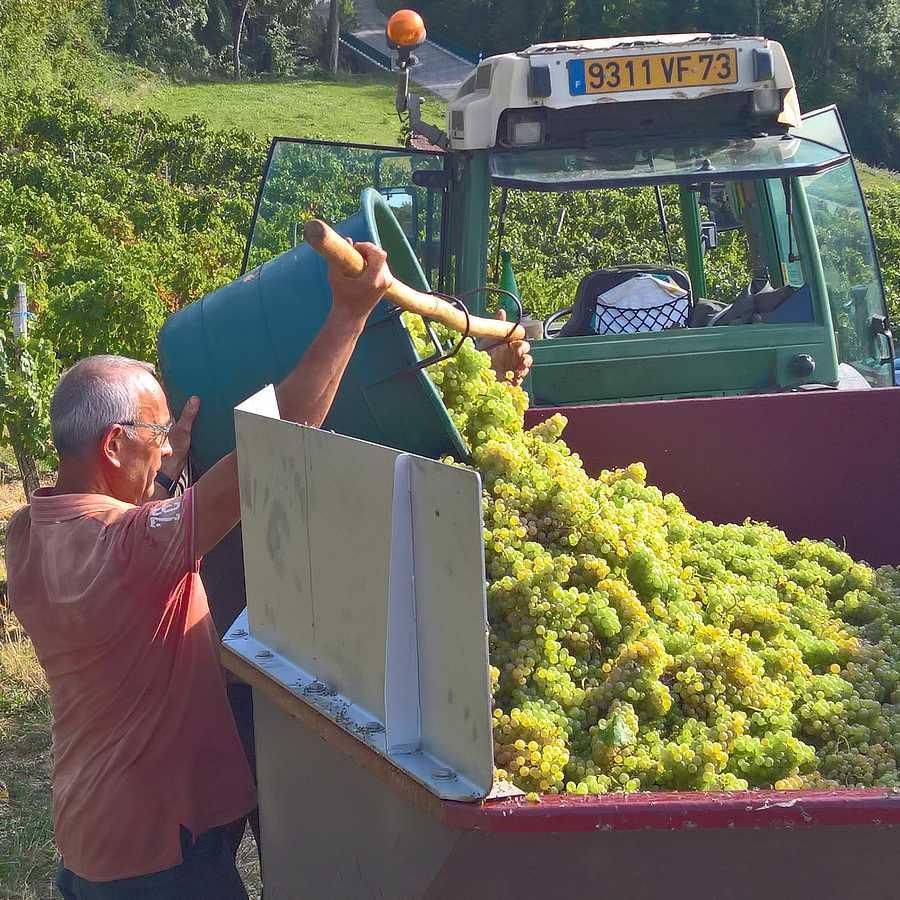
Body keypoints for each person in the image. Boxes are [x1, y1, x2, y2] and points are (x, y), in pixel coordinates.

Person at [5, 242, 532, 899]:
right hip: (159, 860)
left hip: (87, 843)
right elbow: (277, 444)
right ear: (113, 444)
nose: (169, 443)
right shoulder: (133, 547)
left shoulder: (29, 535)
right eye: (156, 432)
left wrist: (163, 472)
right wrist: (348, 315)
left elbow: (129, 526)